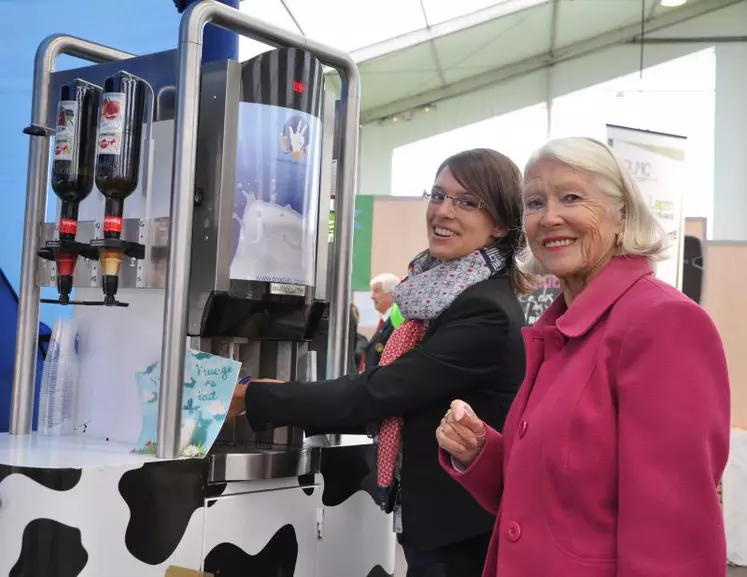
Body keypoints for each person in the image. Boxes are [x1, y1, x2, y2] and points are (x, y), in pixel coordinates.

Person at [228, 148, 530, 577]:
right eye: (437, 195)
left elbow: (384, 391)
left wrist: (255, 397)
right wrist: (280, 392)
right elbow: (399, 396)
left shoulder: (484, 310)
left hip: (459, 538)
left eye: (466, 202)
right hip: (440, 531)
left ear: (499, 224)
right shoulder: (445, 295)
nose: (442, 212)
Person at [437, 136, 731, 577]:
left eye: (571, 197)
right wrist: (482, 451)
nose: (550, 217)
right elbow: (556, 506)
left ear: (623, 215)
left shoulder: (663, 324)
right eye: (535, 203)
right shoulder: (561, 332)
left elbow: (673, 535)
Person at [359, 272, 401, 371]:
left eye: (377, 291)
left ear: (393, 293)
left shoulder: (398, 323)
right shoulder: (385, 321)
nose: (372, 297)